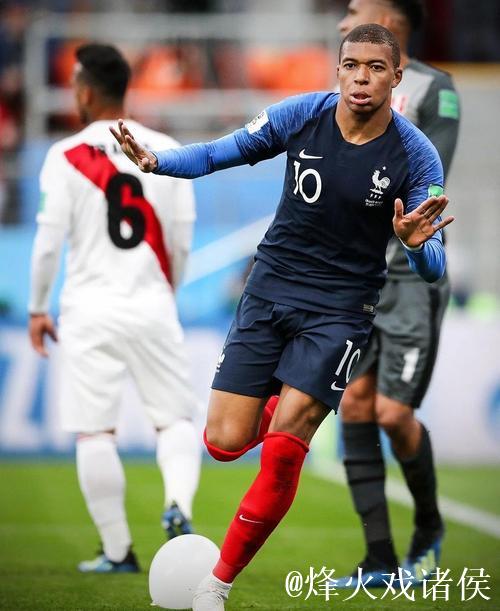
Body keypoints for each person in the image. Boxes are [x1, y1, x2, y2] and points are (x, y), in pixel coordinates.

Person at [111, 24, 454, 609]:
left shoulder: (416, 154)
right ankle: (279, 403)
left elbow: (433, 265)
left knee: (284, 450)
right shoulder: (302, 115)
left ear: (396, 78)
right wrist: (158, 162)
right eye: (351, 65)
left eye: (375, 68)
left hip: (341, 310)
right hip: (269, 291)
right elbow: (218, 152)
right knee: (223, 442)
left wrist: (416, 244)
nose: (361, 78)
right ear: (338, 70)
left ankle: (215, 586)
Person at [28, 44, 201, 573]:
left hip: (89, 309)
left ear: (84, 91)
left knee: (95, 431)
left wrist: (37, 307)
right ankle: (179, 503)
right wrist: (168, 291)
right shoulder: (167, 149)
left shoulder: (64, 156)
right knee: (173, 420)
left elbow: (48, 242)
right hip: (152, 303)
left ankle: (118, 550)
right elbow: (182, 239)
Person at [334, 0, 460, 587]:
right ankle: (378, 560)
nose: (344, 21)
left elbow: (428, 183)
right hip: (359, 275)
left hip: (409, 278)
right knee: (355, 405)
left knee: (392, 412)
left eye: (355, 9)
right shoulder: (347, 88)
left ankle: (428, 528)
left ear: (387, 15)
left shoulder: (437, 90)